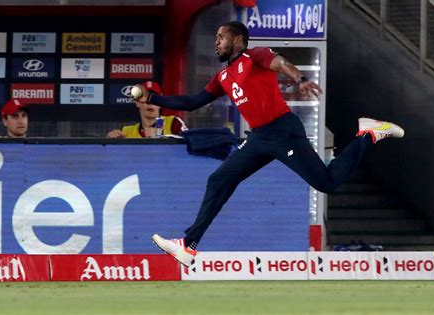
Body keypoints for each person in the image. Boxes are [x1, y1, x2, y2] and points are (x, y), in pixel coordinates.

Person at [135, 21, 404, 266]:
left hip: (283, 132)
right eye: (215, 37)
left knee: (327, 183)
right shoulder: (223, 77)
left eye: (221, 37)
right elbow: (192, 102)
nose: (216, 42)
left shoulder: (255, 55)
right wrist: (154, 99)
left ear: (238, 40)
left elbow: (281, 63)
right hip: (259, 138)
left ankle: (367, 133)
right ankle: (189, 245)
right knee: (219, 180)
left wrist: (300, 78)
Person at [107, 81, 188, 139]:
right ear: (137, 103)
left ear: (161, 103)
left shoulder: (173, 123)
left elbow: (189, 142)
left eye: (154, 98)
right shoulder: (126, 132)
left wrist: (161, 136)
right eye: (145, 99)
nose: (150, 103)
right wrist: (110, 142)